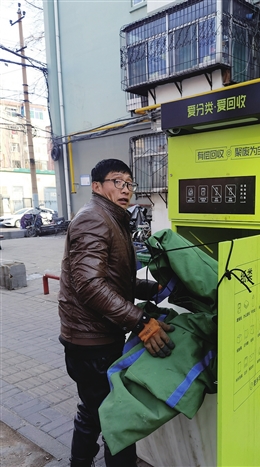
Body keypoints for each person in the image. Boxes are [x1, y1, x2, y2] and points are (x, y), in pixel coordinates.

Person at [58, 158, 175, 467]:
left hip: (90, 336)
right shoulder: (94, 219)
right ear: (97, 186)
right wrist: (141, 321)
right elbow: (89, 285)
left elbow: (112, 280)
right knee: (117, 419)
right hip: (91, 341)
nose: (126, 189)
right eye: (117, 182)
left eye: (129, 184)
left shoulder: (111, 218)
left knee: (93, 410)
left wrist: (154, 289)